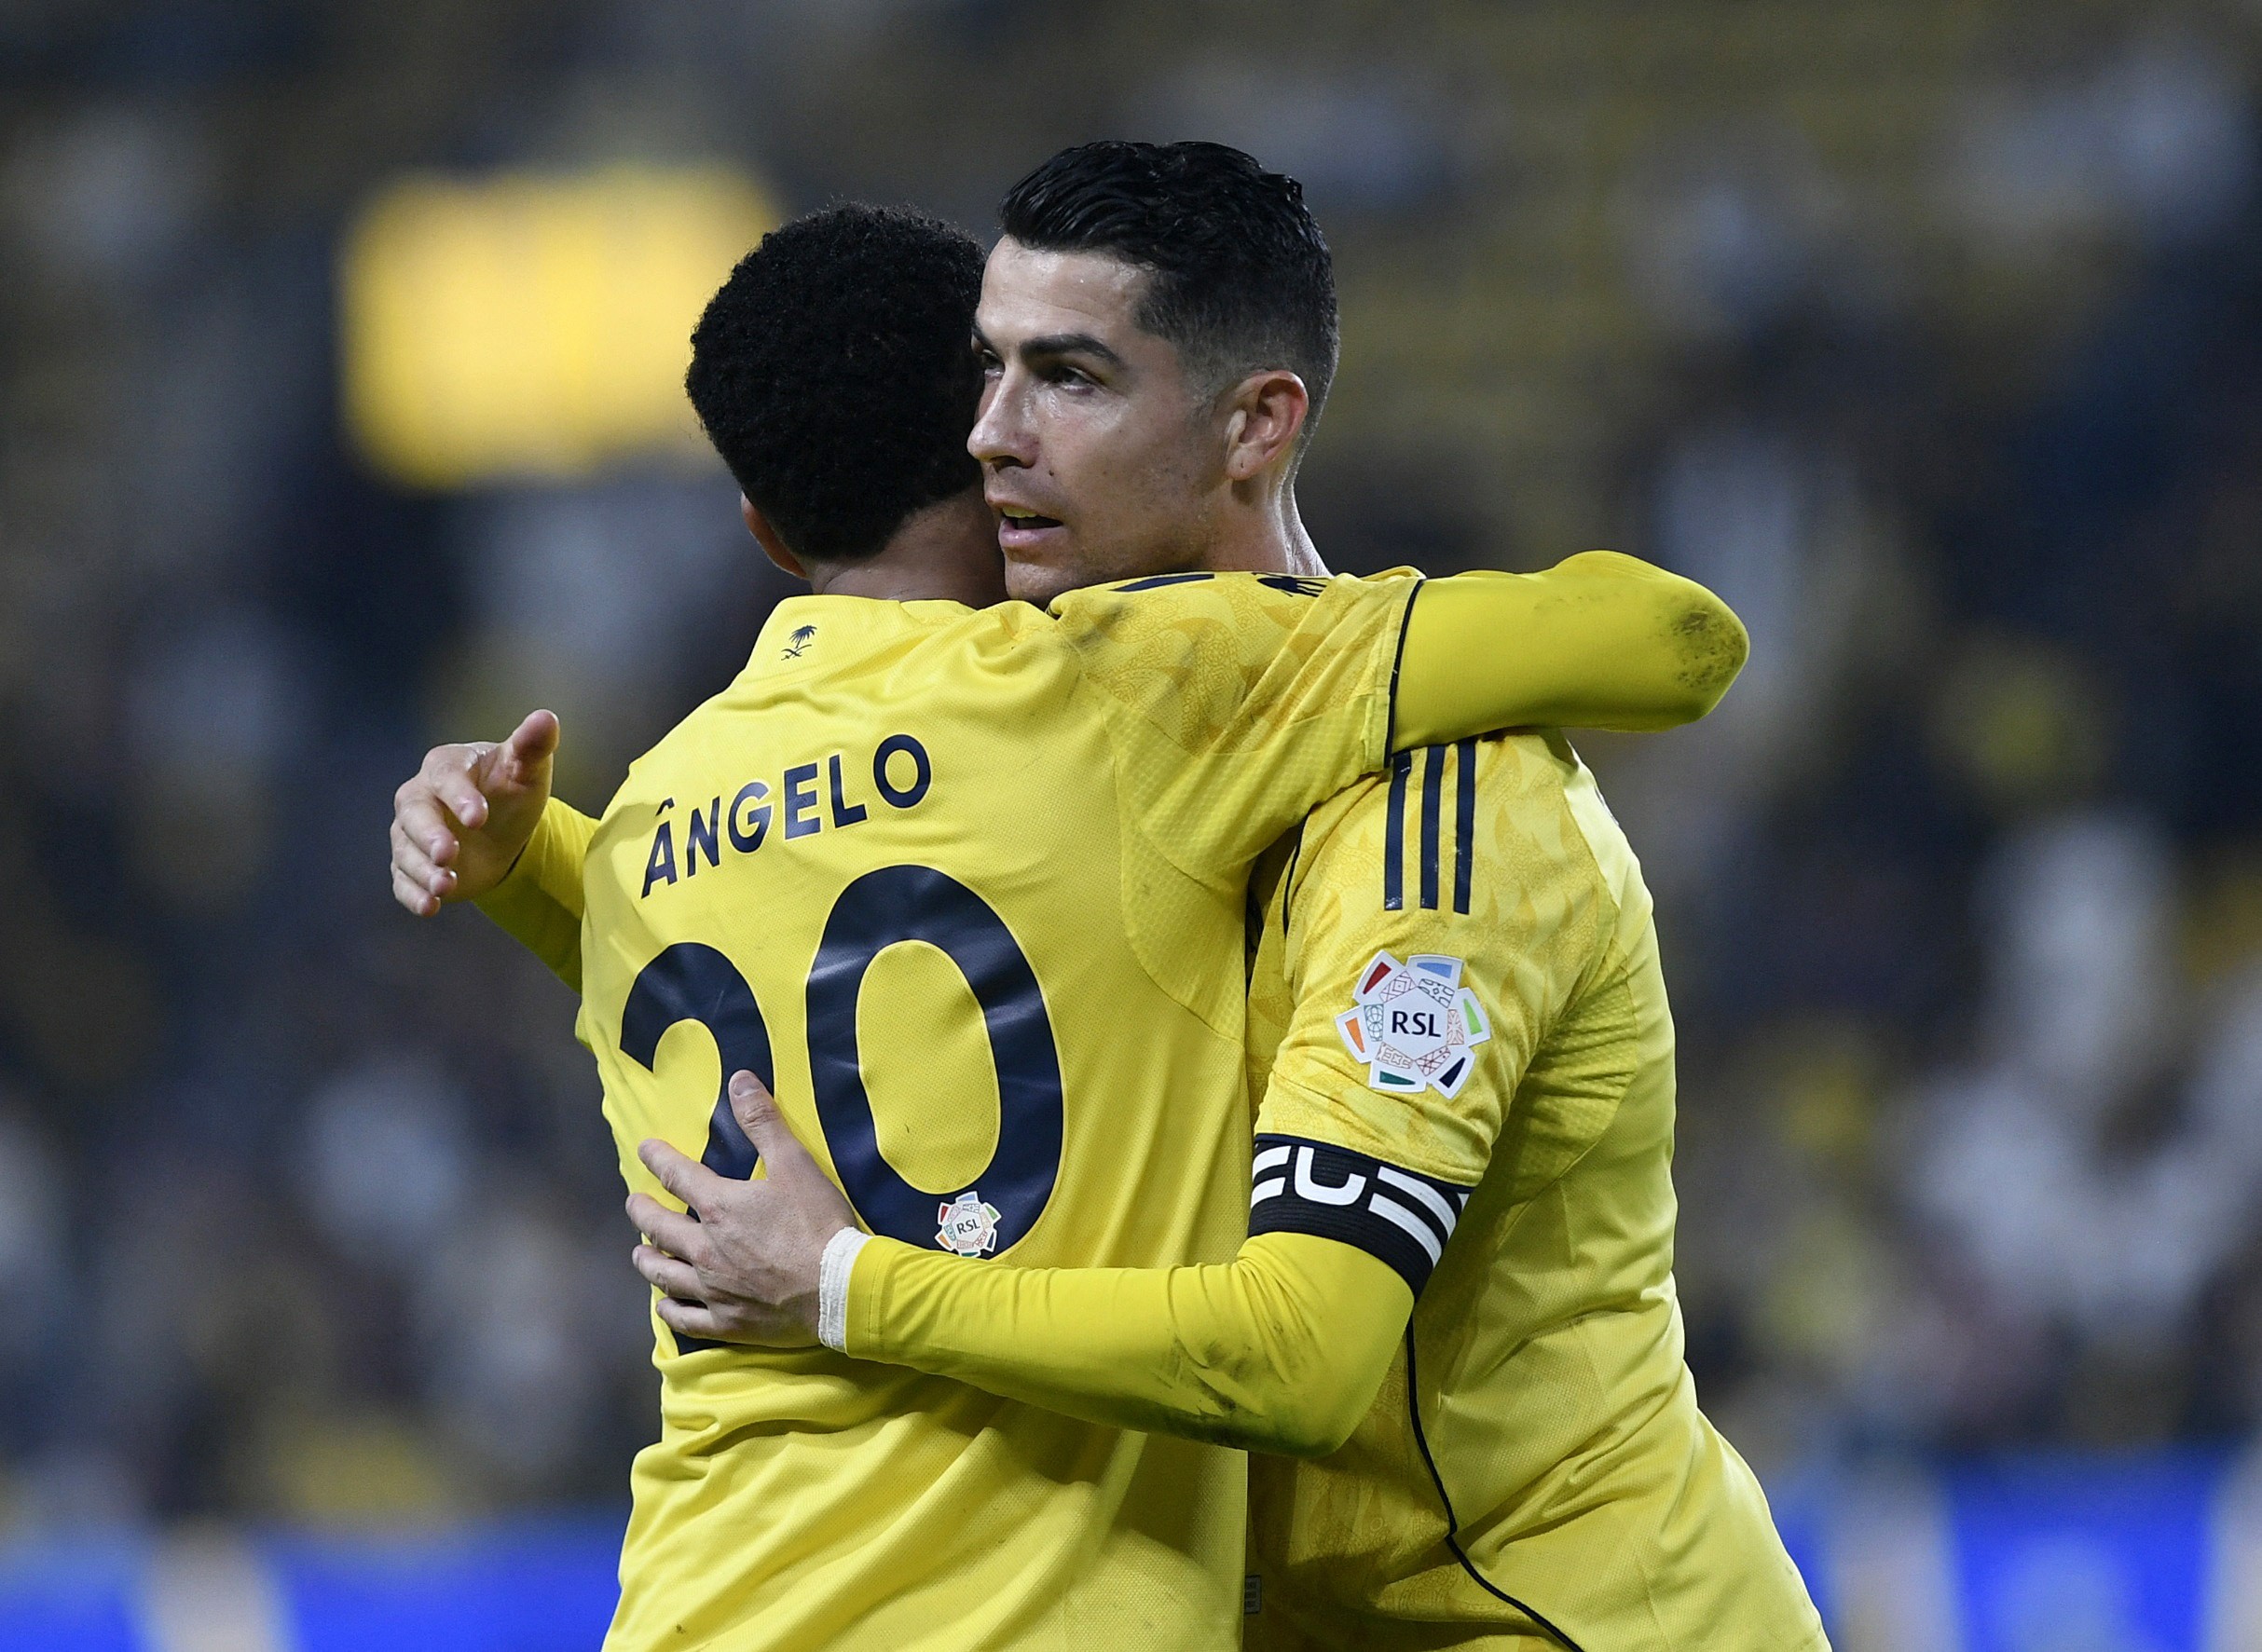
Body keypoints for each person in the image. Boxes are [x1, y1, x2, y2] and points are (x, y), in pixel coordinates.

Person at [391, 186, 1744, 1652]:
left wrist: (520, 861)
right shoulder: (1118, 692)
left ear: (765, 531)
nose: (1018, 427)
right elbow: (1678, 639)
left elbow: (746, 954)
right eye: (1010, 381)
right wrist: (843, 1283)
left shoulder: (655, 816)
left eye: (1065, 378)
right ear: (982, 451)